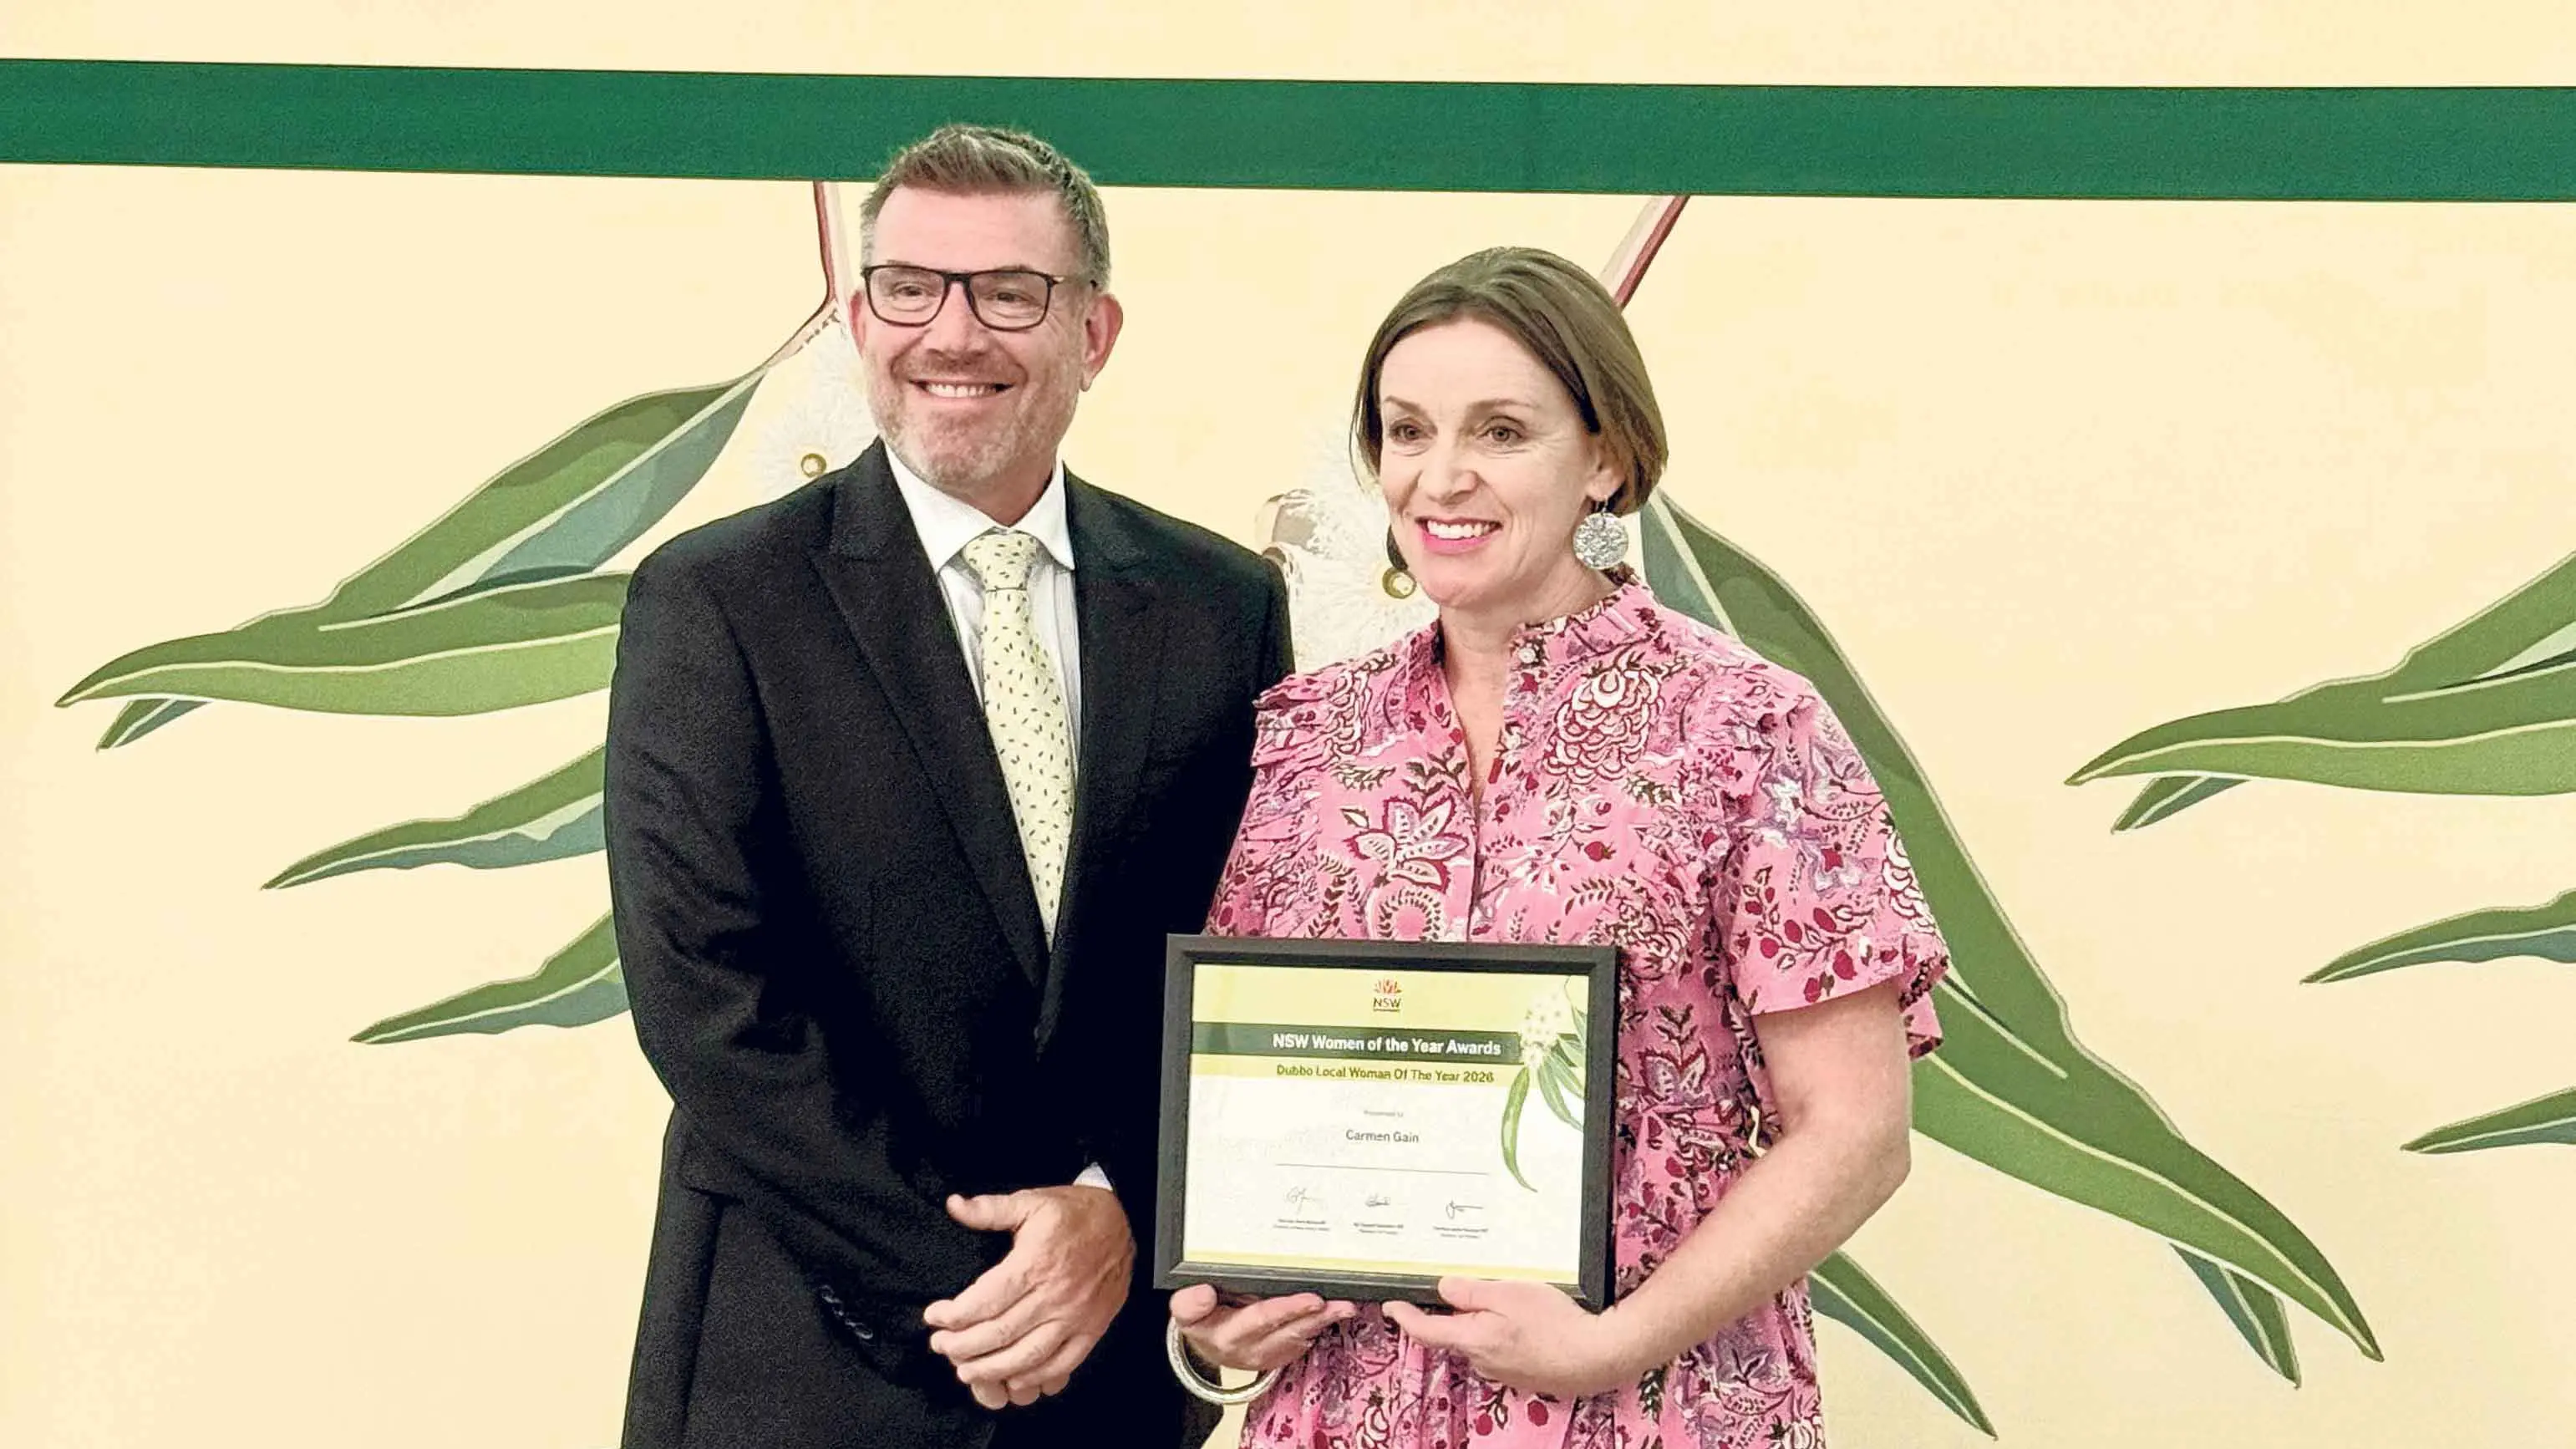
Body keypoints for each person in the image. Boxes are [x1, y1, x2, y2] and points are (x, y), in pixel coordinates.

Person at [1170, 247, 1948, 1448]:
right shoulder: (1310, 735)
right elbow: (1251, 1081)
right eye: (1406, 430)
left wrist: (1610, 1344)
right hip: (1351, 1408)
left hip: (1657, 1407)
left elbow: (1855, 1133)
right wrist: (1222, 1317)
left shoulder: (1746, 725)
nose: (1441, 476)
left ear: (1605, 457)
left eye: (1500, 431)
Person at [605, 124, 1291, 1449]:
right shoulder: (715, 600)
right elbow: (707, 1000)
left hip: (1110, 1375)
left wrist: (1122, 1211)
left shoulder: (1221, 606)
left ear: (1093, 333)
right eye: (910, 287)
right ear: (862, 319)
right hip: (801, 1361)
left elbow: (1243, 958)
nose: (952, 333)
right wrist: (984, 1283)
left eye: (1009, 293)